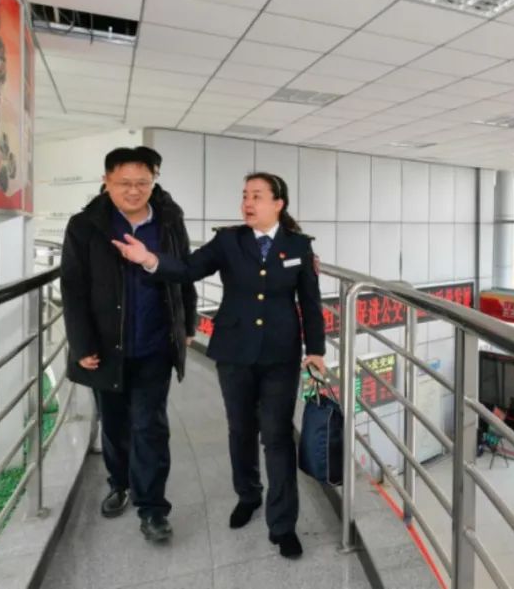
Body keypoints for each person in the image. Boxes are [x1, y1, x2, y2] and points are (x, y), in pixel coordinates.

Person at [111, 172, 326, 560]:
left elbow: (310, 303)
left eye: (256, 196)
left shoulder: (299, 246)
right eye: (244, 195)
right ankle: (248, 495)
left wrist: (316, 350)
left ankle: (283, 526)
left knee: (277, 437)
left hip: (280, 356)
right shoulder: (228, 241)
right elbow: (187, 269)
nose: (247, 202)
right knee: (240, 429)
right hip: (234, 352)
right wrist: (149, 259)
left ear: (278, 203)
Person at [61, 147, 197, 543]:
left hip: (155, 344)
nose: (134, 191)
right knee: (116, 423)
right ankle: (119, 482)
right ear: (107, 181)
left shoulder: (169, 219)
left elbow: (184, 272)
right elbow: (73, 287)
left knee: (150, 426)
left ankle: (152, 508)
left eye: (143, 183)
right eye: (124, 183)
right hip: (106, 347)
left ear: (154, 181)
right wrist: (81, 344)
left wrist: (186, 323)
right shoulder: (86, 225)